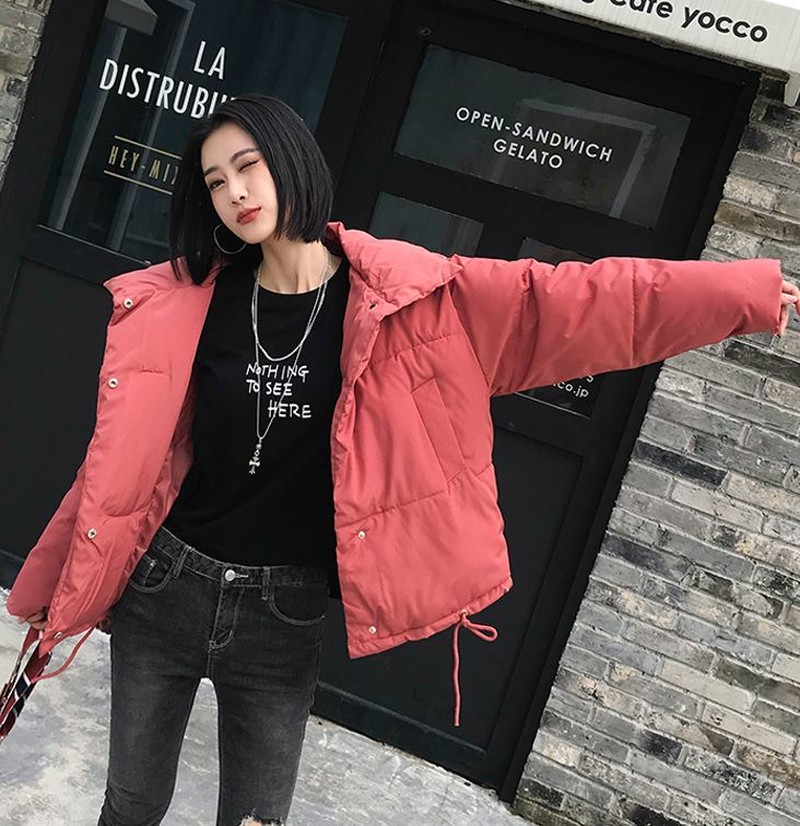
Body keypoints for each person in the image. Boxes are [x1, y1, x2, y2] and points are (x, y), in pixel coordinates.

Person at [6, 93, 798, 826]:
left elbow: (588, 301)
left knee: (257, 821)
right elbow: (117, 467)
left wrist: (741, 294)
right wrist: (52, 583)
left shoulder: (415, 302)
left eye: (249, 165)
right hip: (166, 588)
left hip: (282, 614)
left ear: (293, 161)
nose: (236, 191)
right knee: (131, 805)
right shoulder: (186, 304)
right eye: (216, 182)